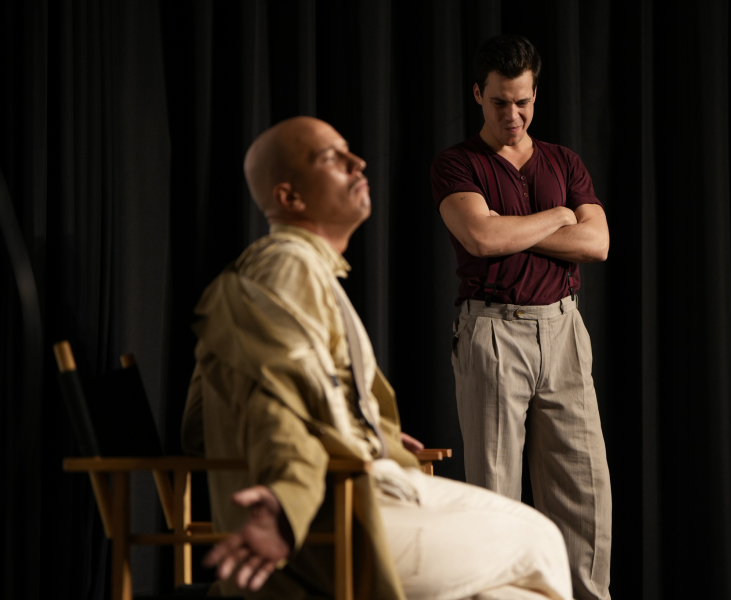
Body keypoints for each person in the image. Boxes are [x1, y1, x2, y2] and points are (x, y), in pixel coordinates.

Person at [182, 115, 575, 600]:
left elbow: (202, 421)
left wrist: (366, 431)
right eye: (332, 158)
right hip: (331, 512)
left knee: (515, 595)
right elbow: (275, 400)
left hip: (362, 481)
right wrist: (286, 503)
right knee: (541, 540)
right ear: (289, 198)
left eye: (349, 150)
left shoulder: (297, 271)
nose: (358, 163)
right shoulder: (286, 266)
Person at [430, 35, 612, 600]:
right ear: (478, 95)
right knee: (496, 496)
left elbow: (597, 243)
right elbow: (481, 238)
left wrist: (514, 228)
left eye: (523, 102)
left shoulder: (564, 161)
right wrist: (557, 216)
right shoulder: (457, 163)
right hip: (493, 331)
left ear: (536, 95)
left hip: (563, 329)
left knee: (585, 492)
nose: (512, 115)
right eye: (500, 102)